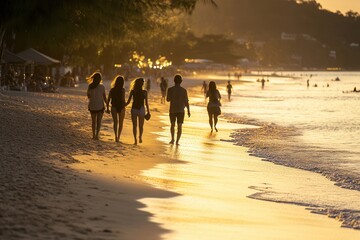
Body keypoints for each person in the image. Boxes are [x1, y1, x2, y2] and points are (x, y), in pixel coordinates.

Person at [166, 74, 191, 145]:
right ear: (181, 81)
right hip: (181, 110)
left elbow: (168, 99)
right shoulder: (184, 91)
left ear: (174, 81)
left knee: (172, 125)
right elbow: (186, 102)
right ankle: (177, 141)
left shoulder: (170, 89)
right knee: (179, 126)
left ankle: (172, 139)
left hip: (172, 109)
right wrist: (188, 111)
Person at [126, 78, 150, 145]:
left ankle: (135, 140)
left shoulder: (133, 91)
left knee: (134, 125)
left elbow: (128, 102)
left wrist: (123, 105)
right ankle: (140, 137)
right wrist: (148, 111)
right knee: (141, 125)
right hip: (141, 109)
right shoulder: (144, 92)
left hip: (134, 109)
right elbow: (146, 103)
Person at [87, 72, 107, 140]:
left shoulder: (90, 86)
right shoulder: (102, 87)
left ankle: (93, 135)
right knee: (99, 122)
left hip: (92, 105)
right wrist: (107, 105)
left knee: (93, 121)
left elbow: (88, 96)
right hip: (100, 106)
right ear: (100, 79)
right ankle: (97, 135)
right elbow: (104, 98)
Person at [106, 75, 126, 142]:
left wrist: (108, 108)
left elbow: (108, 100)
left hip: (114, 106)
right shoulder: (123, 90)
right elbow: (123, 100)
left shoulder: (112, 90)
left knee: (115, 122)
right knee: (121, 123)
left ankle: (116, 136)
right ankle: (119, 137)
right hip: (121, 107)